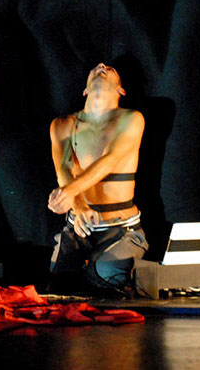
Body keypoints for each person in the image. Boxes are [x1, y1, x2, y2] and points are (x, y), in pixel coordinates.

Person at [47, 62, 149, 295]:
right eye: (96, 68)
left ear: (121, 90)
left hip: (120, 227)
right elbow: (63, 170)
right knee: (61, 284)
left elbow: (111, 160)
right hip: (79, 224)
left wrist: (67, 192)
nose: (102, 66)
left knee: (107, 277)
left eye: (111, 68)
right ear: (85, 90)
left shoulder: (131, 119)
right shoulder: (63, 124)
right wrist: (78, 205)